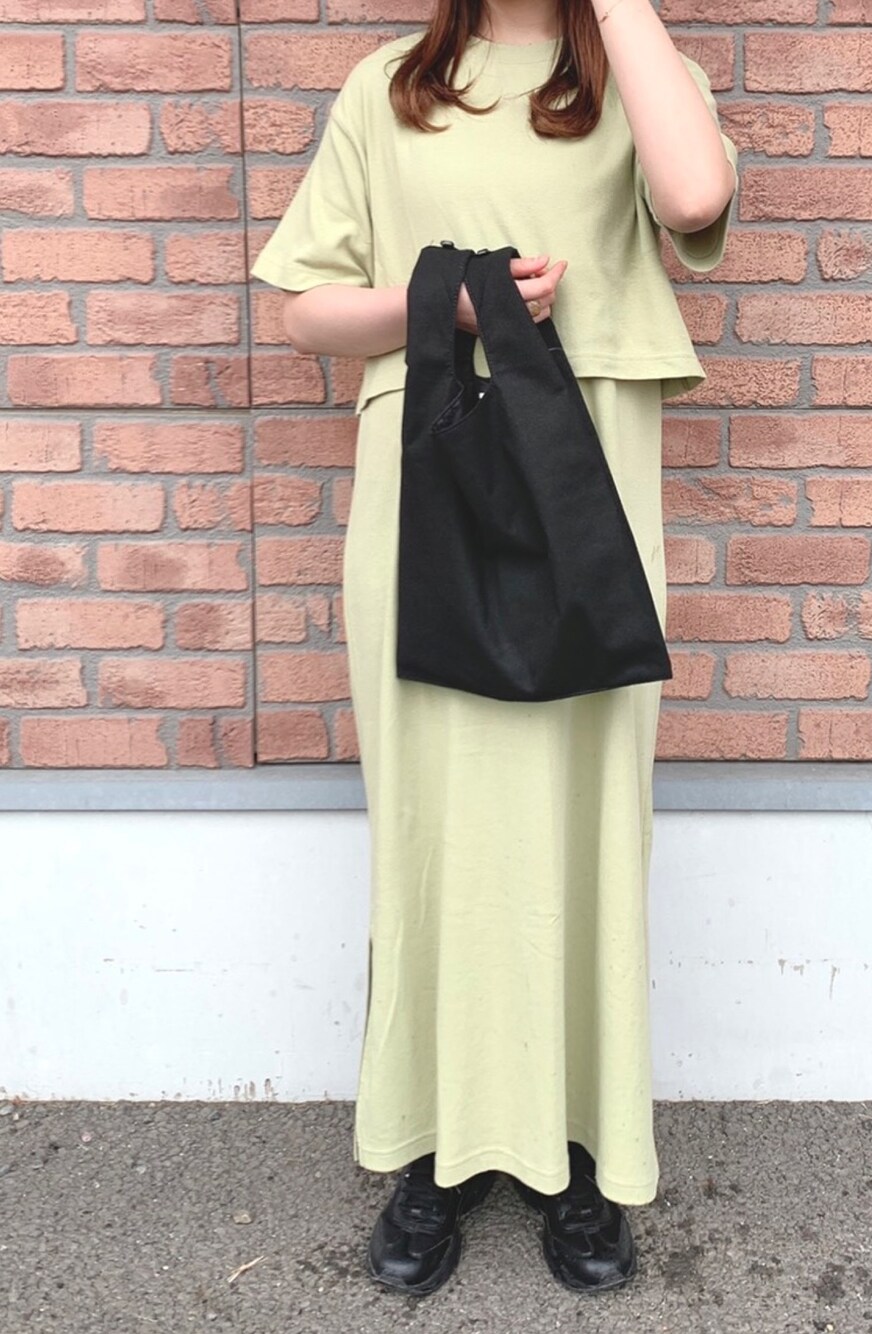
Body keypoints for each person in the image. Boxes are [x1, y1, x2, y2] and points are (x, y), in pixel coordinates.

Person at [250, 0, 738, 1298]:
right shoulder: (386, 91)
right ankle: (435, 1143)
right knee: (436, 825)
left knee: (588, 824)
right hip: (425, 490)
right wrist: (449, 302)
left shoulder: (643, 76)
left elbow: (695, 197)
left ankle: (582, 1148)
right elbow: (303, 310)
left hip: (592, 493)